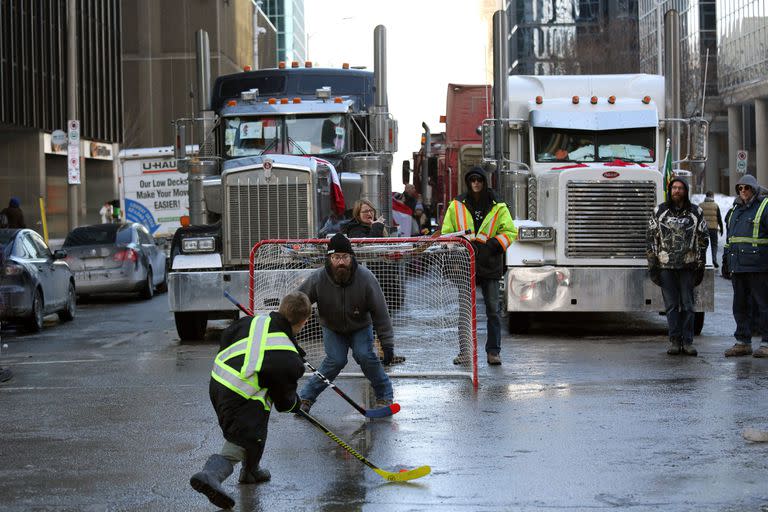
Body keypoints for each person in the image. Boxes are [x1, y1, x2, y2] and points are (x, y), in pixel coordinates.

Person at [189, 292, 312, 509]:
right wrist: (296, 405)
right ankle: (210, 475)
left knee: (260, 412)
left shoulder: (254, 321)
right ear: (304, 322)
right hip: (238, 394)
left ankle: (251, 471)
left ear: (281, 308)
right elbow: (285, 403)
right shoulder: (288, 358)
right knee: (244, 437)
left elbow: (227, 336)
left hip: (217, 382)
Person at [298, 233, 395, 412]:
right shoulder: (318, 278)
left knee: (365, 355)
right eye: (336, 257)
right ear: (329, 258)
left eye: (344, 257)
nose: (340, 262)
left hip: (360, 326)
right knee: (335, 360)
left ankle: (385, 395)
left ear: (351, 257)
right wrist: (284, 329)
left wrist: (387, 344)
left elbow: (381, 313)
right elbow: (297, 302)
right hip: (332, 327)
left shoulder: (366, 278)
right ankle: (306, 398)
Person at [440, 166, 517, 366]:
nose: (476, 183)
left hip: (489, 264)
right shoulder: (456, 205)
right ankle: (465, 353)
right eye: (472, 180)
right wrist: (458, 249)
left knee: (493, 309)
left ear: (484, 182)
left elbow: (510, 232)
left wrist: (492, 246)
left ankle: (493, 352)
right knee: (466, 310)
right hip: (466, 263)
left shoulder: (498, 205)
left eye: (479, 180)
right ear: (468, 182)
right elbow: (447, 232)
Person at [646, 177, 709, 356]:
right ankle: (675, 341)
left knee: (688, 306)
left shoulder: (695, 212)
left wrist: (700, 263)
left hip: (688, 267)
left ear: (686, 191)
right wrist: (653, 266)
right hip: (666, 267)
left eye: (680, 188)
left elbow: (703, 238)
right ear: (670, 190)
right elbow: (651, 239)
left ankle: (688, 342)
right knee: (672, 307)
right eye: (674, 188)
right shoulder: (659, 211)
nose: (677, 191)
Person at [722, 174, 768, 358]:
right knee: (740, 305)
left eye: (747, 188)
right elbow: (730, 239)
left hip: (759, 267)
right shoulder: (734, 210)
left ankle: (766, 343)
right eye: (740, 188)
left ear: (754, 189)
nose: (743, 192)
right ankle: (743, 341)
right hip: (738, 266)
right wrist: (726, 261)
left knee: (763, 306)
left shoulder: (764, 207)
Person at [700, 191, 723, 268]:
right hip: (713, 229)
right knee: (714, 245)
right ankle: (714, 259)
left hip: (703, 229)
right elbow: (719, 218)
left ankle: (703, 260)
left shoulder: (700, 205)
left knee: (702, 245)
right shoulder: (715, 206)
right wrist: (721, 228)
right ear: (712, 196)